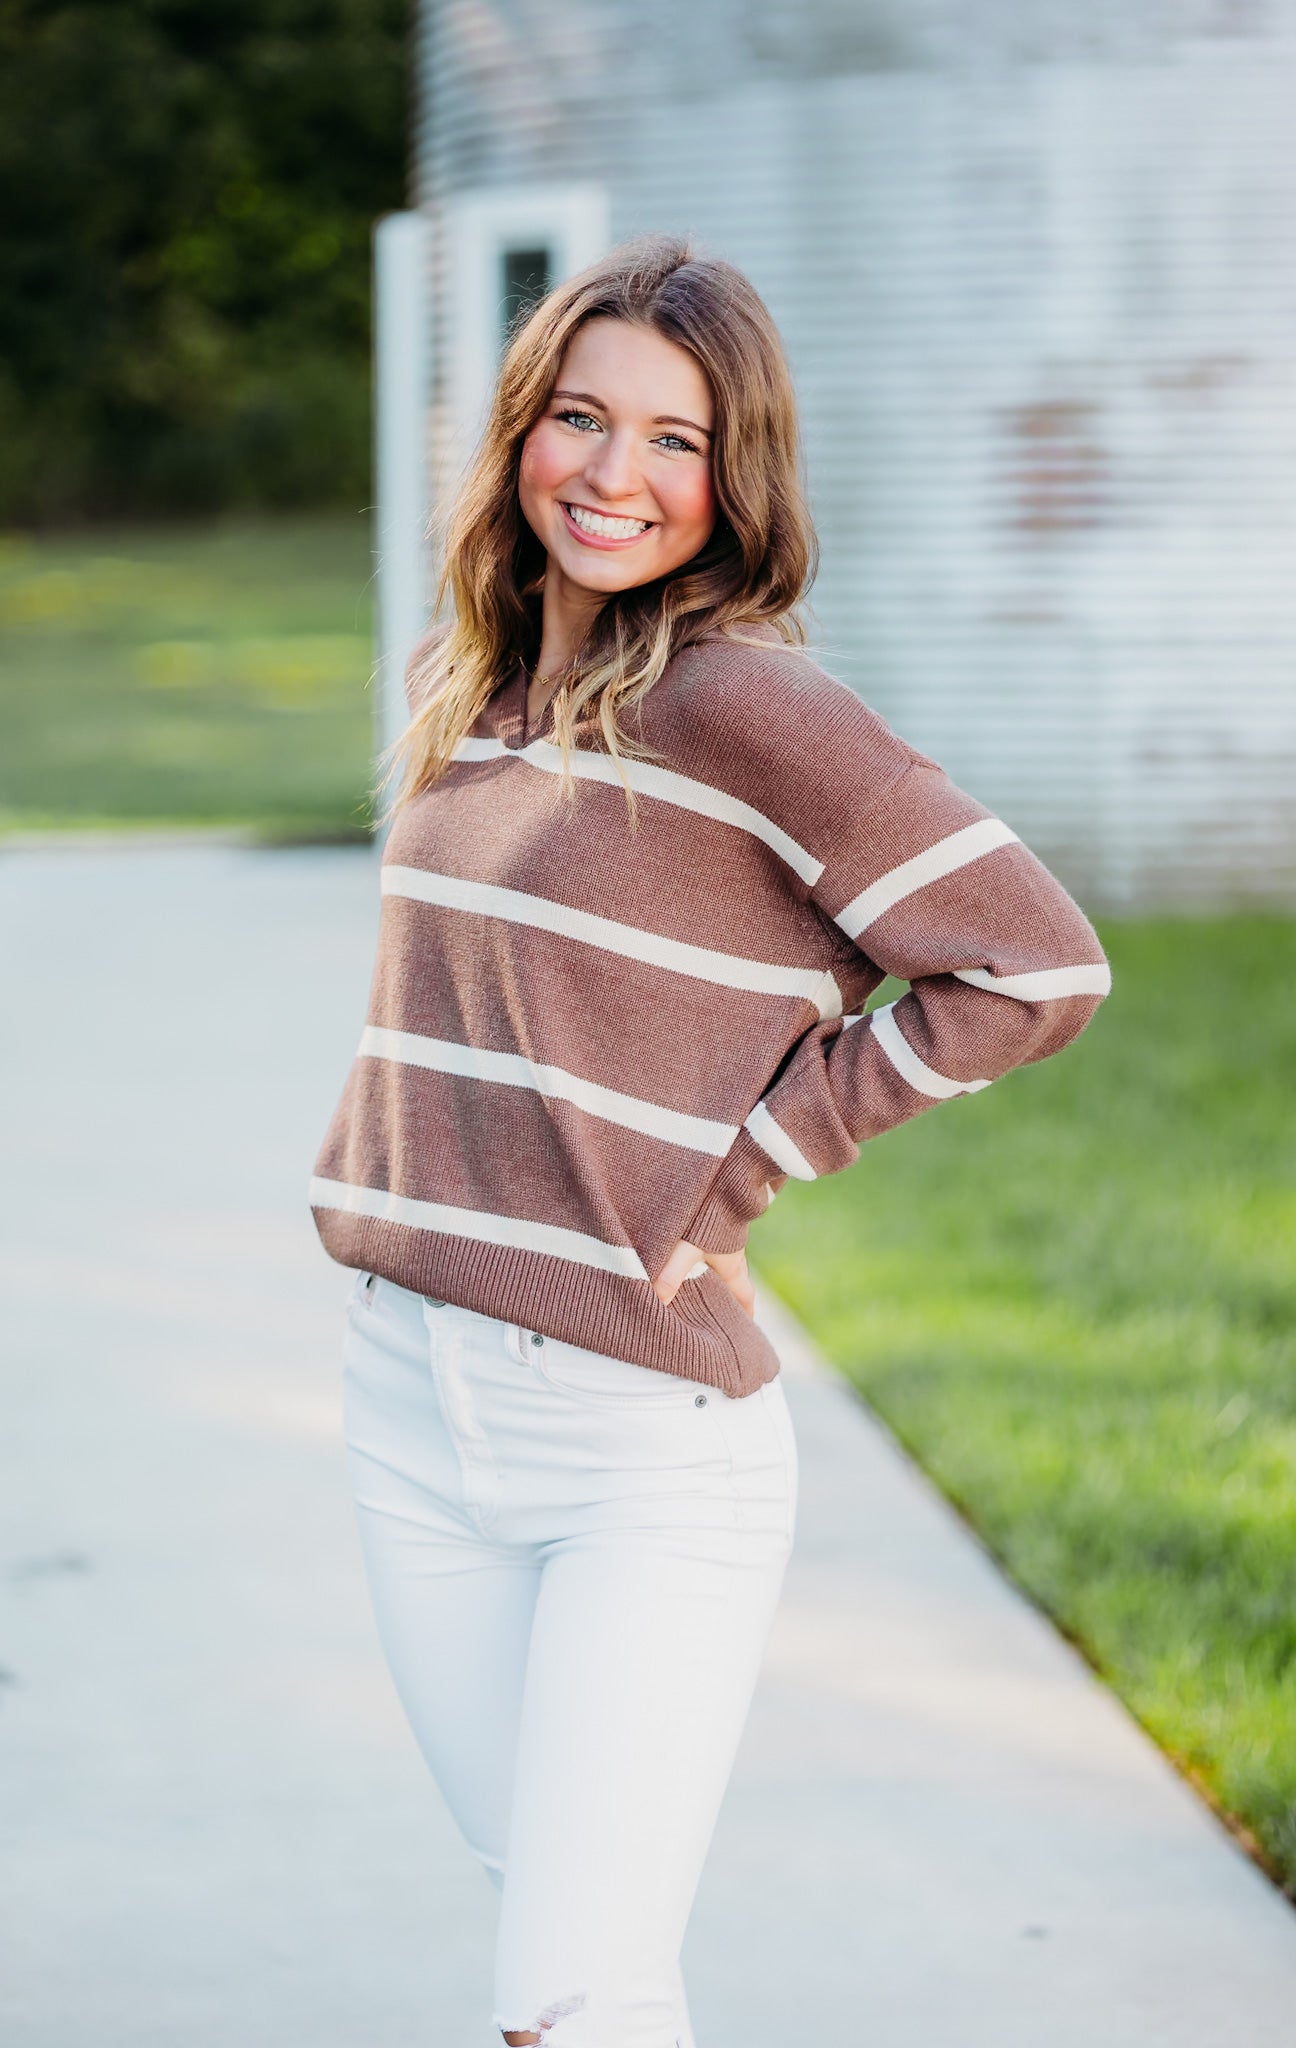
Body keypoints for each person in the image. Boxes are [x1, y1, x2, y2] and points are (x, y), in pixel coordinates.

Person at [308, 233, 1110, 2048]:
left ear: (735, 479)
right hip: (408, 1395)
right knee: (566, 1942)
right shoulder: (470, 680)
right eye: (578, 418)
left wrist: (752, 1163)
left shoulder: (749, 706)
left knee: (574, 2000)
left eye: (674, 440)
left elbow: (1038, 962)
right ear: (519, 434)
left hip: (632, 1448)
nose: (613, 474)